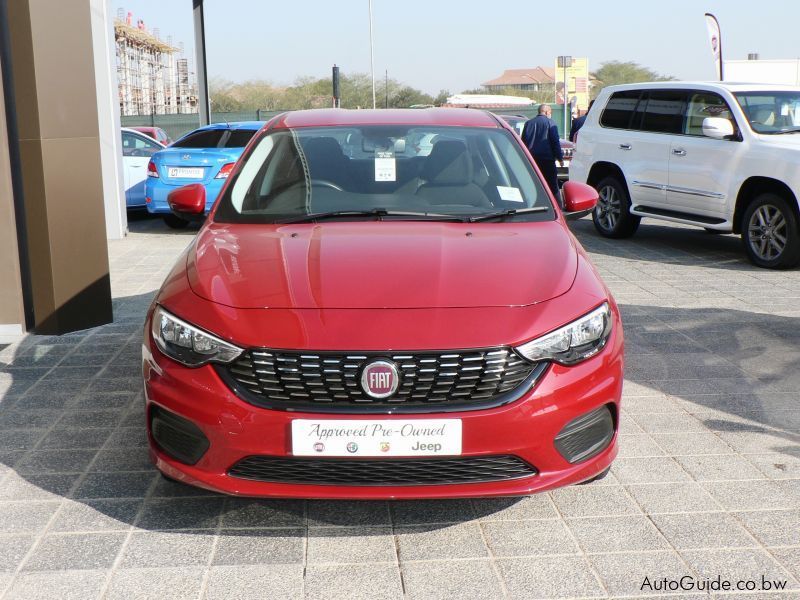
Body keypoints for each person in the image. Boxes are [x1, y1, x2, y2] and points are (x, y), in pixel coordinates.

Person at [521, 104, 563, 202]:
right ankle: (558, 207)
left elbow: (523, 142)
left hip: (532, 160)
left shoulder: (528, 123)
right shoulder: (550, 123)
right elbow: (555, 142)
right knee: (552, 185)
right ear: (547, 112)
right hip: (547, 160)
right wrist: (560, 158)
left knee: (534, 184)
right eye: (550, 112)